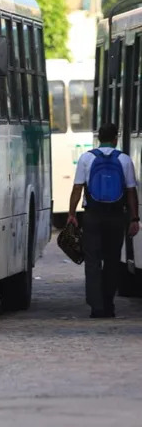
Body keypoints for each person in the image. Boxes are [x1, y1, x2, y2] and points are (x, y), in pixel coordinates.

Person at [67, 123, 139, 318]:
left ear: (99, 138)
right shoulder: (124, 160)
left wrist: (72, 214)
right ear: (115, 138)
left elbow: (77, 188)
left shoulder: (86, 158)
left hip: (92, 216)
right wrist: (134, 218)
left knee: (92, 261)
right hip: (116, 216)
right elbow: (131, 192)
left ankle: (95, 306)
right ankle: (109, 304)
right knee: (112, 260)